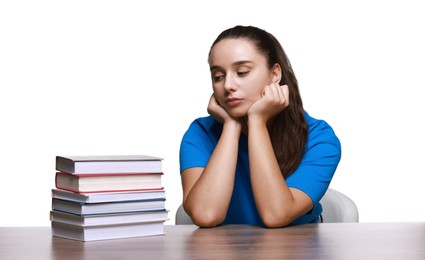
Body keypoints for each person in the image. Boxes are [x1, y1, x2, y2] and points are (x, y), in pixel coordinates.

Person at [179, 25, 341, 228]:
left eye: (242, 72)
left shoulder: (319, 139)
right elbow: (206, 215)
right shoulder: (200, 133)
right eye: (218, 76)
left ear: (275, 74)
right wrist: (231, 125)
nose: (228, 85)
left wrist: (256, 121)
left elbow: (276, 215)